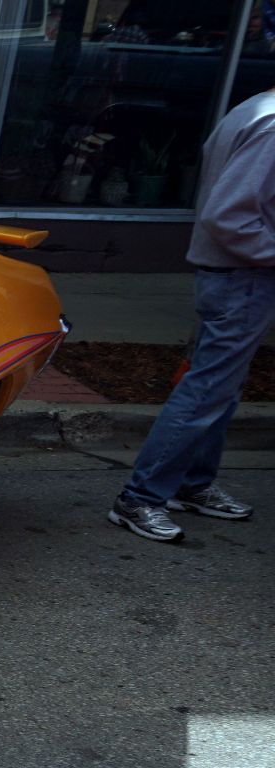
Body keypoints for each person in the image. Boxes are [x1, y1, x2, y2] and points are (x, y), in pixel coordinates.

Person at [108, 84, 275, 542]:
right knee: (208, 391)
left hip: (236, 273)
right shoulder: (271, 122)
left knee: (219, 387)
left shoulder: (256, 108)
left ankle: (190, 483)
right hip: (244, 274)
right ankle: (140, 499)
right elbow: (228, 216)